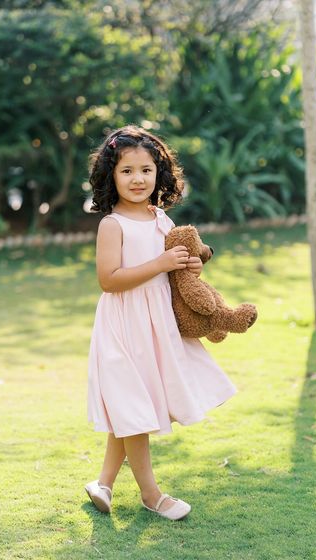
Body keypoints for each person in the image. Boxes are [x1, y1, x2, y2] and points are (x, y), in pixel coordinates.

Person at [85, 124, 237, 520]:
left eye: (146, 170)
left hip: (158, 324)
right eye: (127, 171)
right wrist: (160, 263)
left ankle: (103, 482)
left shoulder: (162, 220)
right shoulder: (112, 225)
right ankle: (152, 495)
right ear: (111, 176)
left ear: (160, 174)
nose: (138, 179)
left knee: (134, 404)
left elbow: (177, 274)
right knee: (134, 406)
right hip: (124, 325)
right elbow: (109, 280)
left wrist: (189, 264)